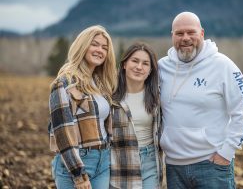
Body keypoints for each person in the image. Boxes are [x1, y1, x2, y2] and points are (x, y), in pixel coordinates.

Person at [158, 11, 243, 189]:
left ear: (202, 33)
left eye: (191, 32)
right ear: (172, 36)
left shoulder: (223, 65)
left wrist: (226, 153)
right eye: (179, 33)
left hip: (211, 166)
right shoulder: (161, 67)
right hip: (173, 167)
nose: (185, 38)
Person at [48, 25, 117, 189]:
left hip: (103, 159)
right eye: (94, 44)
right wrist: (78, 175)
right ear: (82, 46)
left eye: (104, 47)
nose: (100, 50)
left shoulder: (102, 84)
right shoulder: (63, 83)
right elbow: (63, 132)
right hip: (75, 164)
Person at [109, 42, 163, 189]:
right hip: (119, 160)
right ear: (125, 64)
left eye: (145, 63)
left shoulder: (157, 96)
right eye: (135, 61)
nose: (139, 67)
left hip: (150, 159)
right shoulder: (109, 96)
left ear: (151, 69)